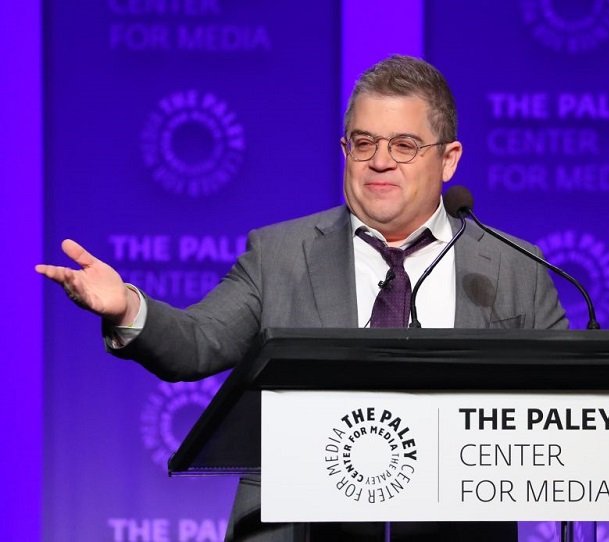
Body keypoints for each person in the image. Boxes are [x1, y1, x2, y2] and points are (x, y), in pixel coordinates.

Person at [37, 55, 567, 541]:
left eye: (404, 145)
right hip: (300, 529)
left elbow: (568, 407)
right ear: (345, 152)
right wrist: (130, 308)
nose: (380, 162)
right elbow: (198, 343)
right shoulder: (280, 255)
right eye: (363, 143)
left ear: (448, 160)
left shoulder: (516, 267)